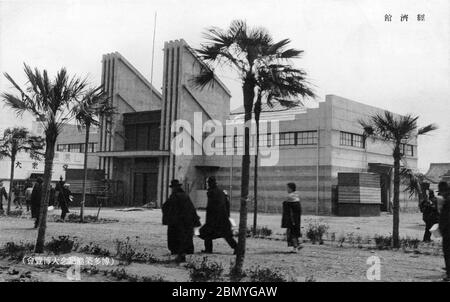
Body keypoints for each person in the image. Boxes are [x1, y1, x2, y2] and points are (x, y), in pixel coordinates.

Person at [162, 179, 201, 263]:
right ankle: (188, 249)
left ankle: (176, 250)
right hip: (187, 220)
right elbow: (191, 208)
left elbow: (167, 207)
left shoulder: (174, 196)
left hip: (178, 220)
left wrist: (169, 218)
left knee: (175, 236)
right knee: (186, 236)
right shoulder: (185, 195)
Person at [199, 177, 237, 254]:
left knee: (206, 233)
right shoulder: (221, 192)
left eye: (208, 183)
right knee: (227, 235)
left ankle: (208, 249)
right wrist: (227, 216)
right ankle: (237, 248)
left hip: (214, 219)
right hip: (223, 218)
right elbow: (227, 205)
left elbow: (211, 208)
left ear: (210, 183)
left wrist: (209, 220)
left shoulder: (211, 192)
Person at [281, 182, 302, 252]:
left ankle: (296, 246)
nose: (286, 189)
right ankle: (298, 245)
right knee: (296, 230)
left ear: (290, 188)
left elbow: (286, 205)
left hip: (291, 217)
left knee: (292, 232)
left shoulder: (289, 197)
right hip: (297, 217)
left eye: (287, 188)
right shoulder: (297, 196)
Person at [438, 181, 450, 282]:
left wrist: (442, 228)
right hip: (446, 231)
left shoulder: (448, 201)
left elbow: (446, 218)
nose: (441, 195)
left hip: (448, 233)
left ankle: (449, 275)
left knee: (448, 252)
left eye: (441, 192)